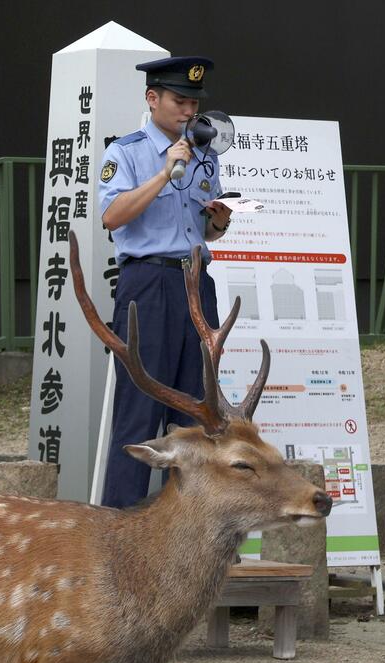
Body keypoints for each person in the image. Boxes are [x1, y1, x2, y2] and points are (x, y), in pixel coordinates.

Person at [99, 56, 231, 508]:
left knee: (196, 413)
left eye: (194, 102)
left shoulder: (207, 155)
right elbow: (112, 217)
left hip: (196, 283)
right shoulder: (126, 152)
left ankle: (188, 532)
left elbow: (204, 230)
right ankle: (119, 534)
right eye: (179, 100)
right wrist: (162, 171)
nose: (189, 110)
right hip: (148, 285)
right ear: (152, 98)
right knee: (139, 412)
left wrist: (220, 222)